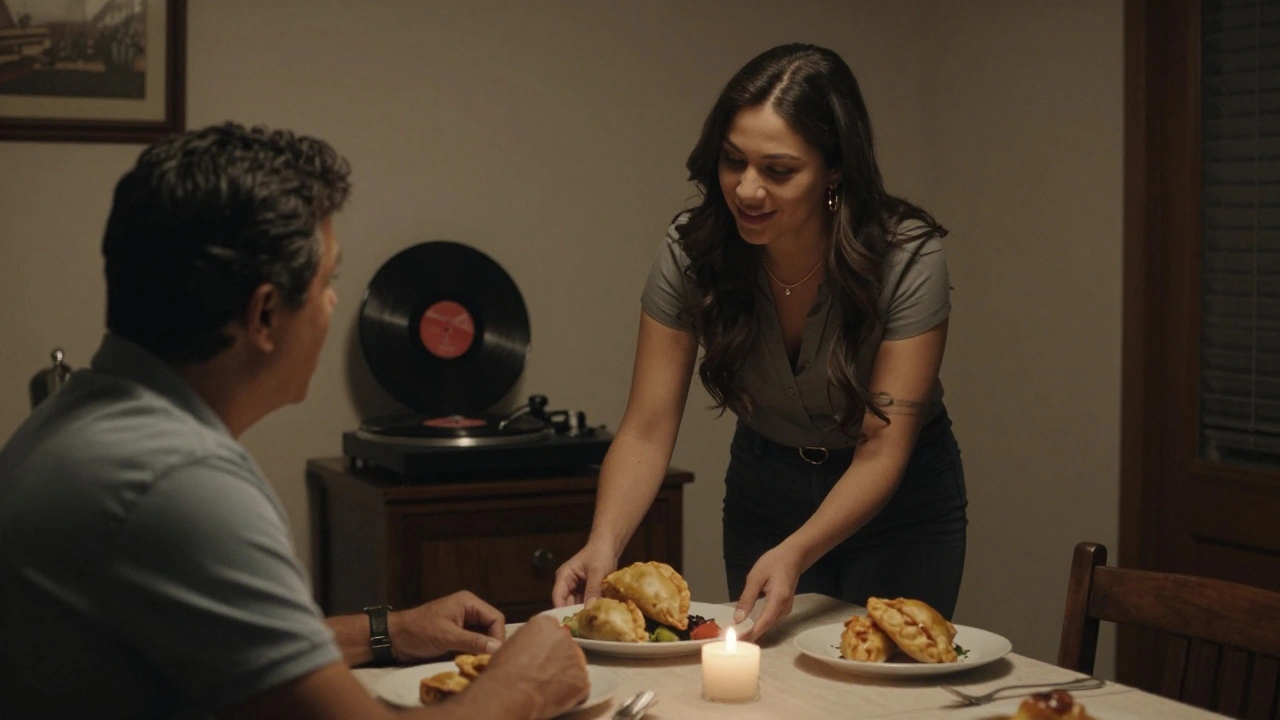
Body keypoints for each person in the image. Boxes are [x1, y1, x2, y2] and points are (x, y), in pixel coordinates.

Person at [0, 123, 588, 720]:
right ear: (264, 314)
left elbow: (221, 642)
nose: (333, 303)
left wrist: (387, 631)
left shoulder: (79, 418)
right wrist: (526, 685)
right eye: (327, 281)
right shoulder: (179, 483)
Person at [552, 43, 967, 640]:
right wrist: (603, 542)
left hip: (899, 502)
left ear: (835, 169)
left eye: (777, 170)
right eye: (732, 161)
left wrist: (798, 551)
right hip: (766, 488)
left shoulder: (907, 256)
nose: (746, 190)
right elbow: (647, 426)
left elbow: (884, 446)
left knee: (891, 679)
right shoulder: (692, 250)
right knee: (769, 681)